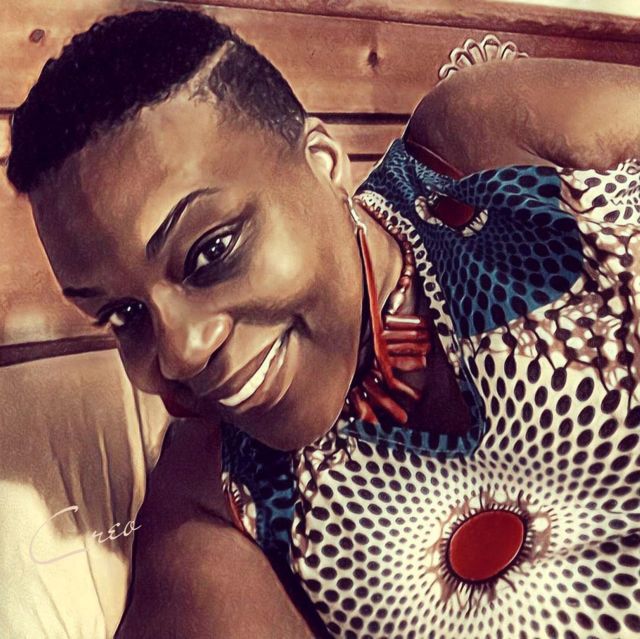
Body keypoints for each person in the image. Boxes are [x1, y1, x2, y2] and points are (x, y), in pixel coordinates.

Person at [7, 7, 640, 639]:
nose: (180, 354)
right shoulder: (217, 502)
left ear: (324, 162)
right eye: (124, 314)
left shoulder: (476, 149)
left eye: (212, 251)